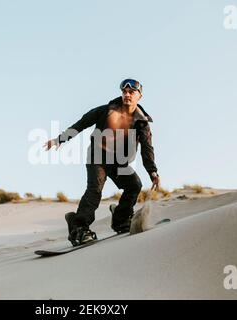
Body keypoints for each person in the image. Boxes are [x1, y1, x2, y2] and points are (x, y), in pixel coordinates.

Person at [43, 79, 160, 246]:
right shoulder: (106, 111)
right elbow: (82, 123)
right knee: (95, 190)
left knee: (134, 185)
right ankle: (79, 228)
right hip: (97, 157)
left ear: (139, 96)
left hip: (119, 161)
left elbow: (147, 149)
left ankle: (120, 219)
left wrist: (153, 172)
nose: (127, 94)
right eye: (124, 92)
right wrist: (60, 139)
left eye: (131, 92)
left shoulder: (142, 123)